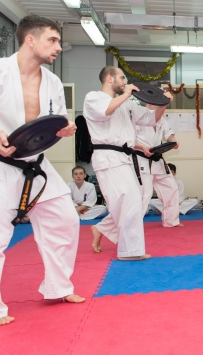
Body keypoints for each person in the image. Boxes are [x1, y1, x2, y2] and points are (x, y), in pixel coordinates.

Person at [0, 15, 84, 327]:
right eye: (52, 40)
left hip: (37, 165)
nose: (58, 47)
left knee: (65, 221)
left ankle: (58, 287)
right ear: (30, 40)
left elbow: (57, 120)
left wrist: (66, 128)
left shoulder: (52, 82)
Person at [84, 66, 172, 260]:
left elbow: (151, 118)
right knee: (128, 201)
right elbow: (105, 111)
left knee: (133, 201)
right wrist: (126, 94)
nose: (125, 82)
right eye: (122, 78)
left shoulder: (127, 104)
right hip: (107, 157)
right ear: (109, 78)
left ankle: (114, 238)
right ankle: (129, 250)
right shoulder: (93, 98)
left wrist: (164, 103)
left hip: (125, 158)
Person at [134, 106, 182, 227]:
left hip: (158, 160)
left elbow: (169, 134)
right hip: (142, 160)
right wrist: (142, 147)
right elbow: (128, 141)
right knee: (145, 194)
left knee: (171, 188)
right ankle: (132, 224)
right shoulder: (138, 118)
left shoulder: (161, 120)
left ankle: (171, 220)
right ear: (149, 104)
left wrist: (173, 141)